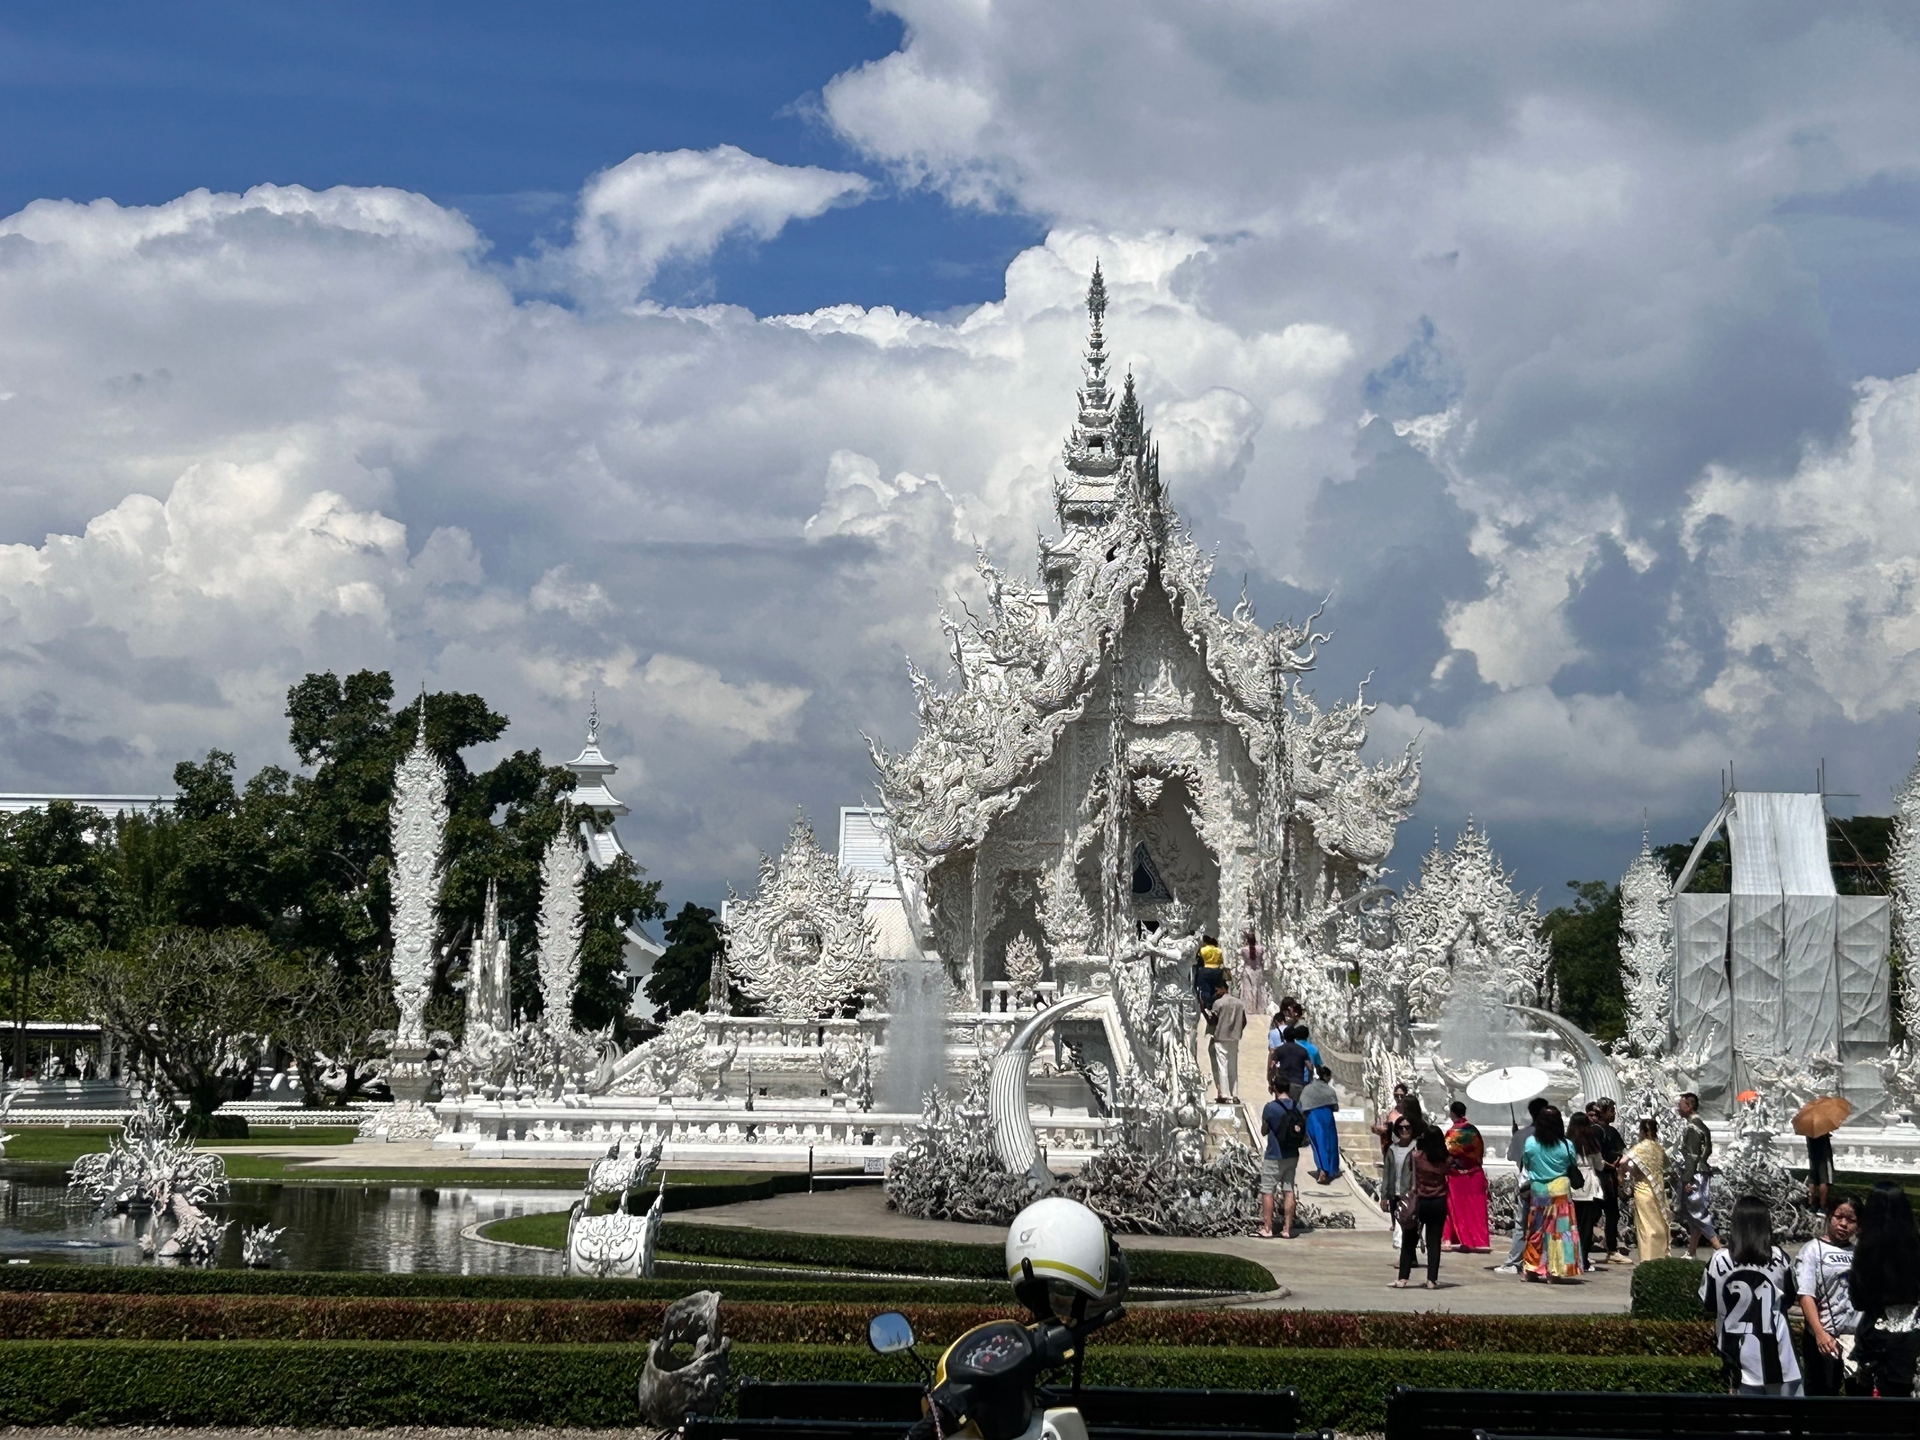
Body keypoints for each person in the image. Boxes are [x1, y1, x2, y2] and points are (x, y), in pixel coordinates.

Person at [1700, 1194, 1802, 1395]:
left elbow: (1709, 1304)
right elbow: (1789, 1300)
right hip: (1779, 1356)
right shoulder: (1780, 1258)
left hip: (1736, 1355)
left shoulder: (1718, 1260)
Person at [1848, 1180, 1920, 1398]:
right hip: (1912, 1337)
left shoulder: (1866, 1250)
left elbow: (1858, 1300)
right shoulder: (1915, 1246)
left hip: (1876, 1340)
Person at [1795, 1194, 1861, 1396]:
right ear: (1829, 1216)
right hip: (1824, 1338)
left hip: (1854, 1340)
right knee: (1823, 1395)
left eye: (1851, 1220)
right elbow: (1806, 1295)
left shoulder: (1859, 1253)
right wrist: (1820, 1333)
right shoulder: (1812, 1251)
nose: (1843, 1224)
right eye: (1839, 1217)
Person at [1522, 1104, 1581, 1282]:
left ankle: (1531, 1268)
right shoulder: (1566, 1145)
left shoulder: (1530, 1143)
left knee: (1536, 1229)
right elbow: (1572, 1164)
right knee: (1560, 1232)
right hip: (1560, 1189)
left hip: (1539, 1189)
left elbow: (1527, 1164)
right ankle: (1556, 1271)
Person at [1495, 1096, 1552, 1275]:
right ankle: (1544, 1261)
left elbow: (1512, 1157)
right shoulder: (1553, 1135)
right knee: (1546, 1224)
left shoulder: (1522, 1135)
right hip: (1550, 1184)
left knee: (1521, 1224)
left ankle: (1515, 1261)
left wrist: (1516, 1136)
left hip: (1527, 1185)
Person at [1393, 1123, 1450, 1290]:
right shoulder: (1446, 1161)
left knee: (1409, 1240)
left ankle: (1403, 1278)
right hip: (1439, 1202)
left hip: (1420, 1201)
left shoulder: (1416, 1157)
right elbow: (1450, 1171)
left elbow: (1410, 1169)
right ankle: (1432, 1280)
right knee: (1434, 1242)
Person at [1258, 1078, 1307, 1239]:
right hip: (1292, 1154)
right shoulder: (1296, 1106)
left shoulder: (1270, 1107)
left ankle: (1268, 1228)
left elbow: (1264, 1131)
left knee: (1268, 1190)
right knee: (1288, 1190)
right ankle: (1287, 1228)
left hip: (1274, 1154)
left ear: (1274, 1089)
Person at [1441, 1100, 1490, 1252]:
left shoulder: (1452, 1133)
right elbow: (1479, 1152)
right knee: (1474, 1209)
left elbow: (1447, 1151)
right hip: (1474, 1174)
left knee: (1456, 1208)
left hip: (1456, 1176)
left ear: (1452, 1114)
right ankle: (1476, 1239)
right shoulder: (1474, 1131)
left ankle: (1456, 1239)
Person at [1625, 1117, 1672, 1262]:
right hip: (1658, 1192)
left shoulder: (1639, 1147)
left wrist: (1632, 1173)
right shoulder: (1659, 1148)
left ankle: (1647, 1259)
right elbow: (1667, 1165)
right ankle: (1660, 1258)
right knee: (1659, 1226)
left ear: (1642, 1132)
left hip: (1642, 1190)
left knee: (1645, 1227)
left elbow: (1623, 1161)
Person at [1568, 1110, 1607, 1271]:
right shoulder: (1592, 1143)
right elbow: (1600, 1166)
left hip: (1572, 1184)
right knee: (1586, 1226)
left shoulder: (1567, 1142)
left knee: (1572, 1224)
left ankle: (1571, 1257)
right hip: (1589, 1186)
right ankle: (1583, 1259)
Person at [1593, 1098, 1630, 1263]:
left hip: (1611, 1177)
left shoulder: (1612, 1131)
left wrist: (1619, 1170)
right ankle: (1583, 1250)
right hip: (1599, 1177)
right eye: (1611, 1111)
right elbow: (1594, 1155)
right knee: (1593, 1214)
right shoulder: (1595, 1131)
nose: (1614, 1114)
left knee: (1613, 1214)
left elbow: (1620, 1152)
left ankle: (1612, 1249)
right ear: (1602, 1112)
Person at [1207, 980, 1248, 1104]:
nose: (1216, 993)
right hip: (1234, 1039)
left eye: (1217, 990)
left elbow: (1213, 1020)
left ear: (1223, 988)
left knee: (1222, 1067)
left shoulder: (1218, 1003)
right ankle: (1234, 1094)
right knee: (1233, 1067)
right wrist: (1237, 1030)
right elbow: (1244, 1021)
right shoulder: (1239, 1003)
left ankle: (1225, 1094)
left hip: (1221, 1038)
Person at [1381, 1115, 1417, 1255]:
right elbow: (1386, 1173)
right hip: (1394, 1193)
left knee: (1409, 1226)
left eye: (1407, 1127)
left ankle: (1408, 1257)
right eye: (1401, 1128)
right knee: (1398, 1225)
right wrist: (1384, 1196)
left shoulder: (1416, 1149)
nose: (1404, 1131)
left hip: (1409, 1194)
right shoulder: (1392, 1149)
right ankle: (1406, 1257)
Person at [1300, 1065, 1341, 1183]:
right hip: (1327, 1116)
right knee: (1330, 1143)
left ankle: (1322, 1168)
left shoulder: (1308, 1089)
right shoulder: (1330, 1090)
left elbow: (1302, 1105)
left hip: (1313, 1117)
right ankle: (1330, 1169)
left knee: (1318, 1143)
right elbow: (1335, 1107)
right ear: (1326, 1076)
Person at [1683, 1168, 1723, 1258]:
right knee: (1695, 1225)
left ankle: (1720, 1250)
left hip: (1700, 1181)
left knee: (1701, 1220)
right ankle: (1690, 1252)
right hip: (1697, 1179)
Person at [1678, 1091, 1712, 1187]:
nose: (1678, 1109)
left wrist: (1687, 1179)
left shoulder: (1693, 1128)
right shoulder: (1700, 1125)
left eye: (1680, 1106)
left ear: (1689, 1107)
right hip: (1701, 1173)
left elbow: (1692, 1155)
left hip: (1694, 1178)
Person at [1269, 1026, 1311, 1098]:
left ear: (1284, 1036)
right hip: (1297, 1084)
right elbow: (1310, 1067)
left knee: (1280, 1104)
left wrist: (1271, 1083)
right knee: (1295, 1105)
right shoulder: (1303, 1050)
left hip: (1282, 1084)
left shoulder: (1279, 1050)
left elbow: (1272, 1066)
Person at [1805, 1126, 1836, 1217]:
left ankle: (1811, 1204)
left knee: (1812, 1179)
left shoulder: (1808, 1127)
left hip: (1812, 1154)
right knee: (1824, 1180)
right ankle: (1822, 1206)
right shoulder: (1821, 1126)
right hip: (1823, 1156)